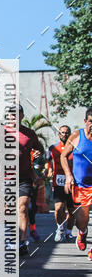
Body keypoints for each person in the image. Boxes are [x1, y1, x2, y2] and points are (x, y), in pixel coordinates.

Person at [9, 105, 43, 258]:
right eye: (11, 115)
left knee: (22, 207)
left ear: (22, 116)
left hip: (24, 177)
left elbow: (39, 150)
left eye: (16, 114)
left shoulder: (29, 134)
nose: (13, 117)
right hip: (6, 177)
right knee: (9, 210)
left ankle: (22, 242)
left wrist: (37, 153)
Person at [61, 108, 92, 257]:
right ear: (85, 122)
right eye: (91, 121)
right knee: (82, 220)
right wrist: (68, 175)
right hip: (81, 186)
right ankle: (82, 232)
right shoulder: (76, 136)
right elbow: (63, 156)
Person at [46, 125, 75, 241]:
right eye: (62, 132)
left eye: (67, 132)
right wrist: (48, 169)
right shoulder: (53, 148)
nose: (64, 134)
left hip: (72, 182)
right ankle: (60, 228)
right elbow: (47, 161)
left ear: (70, 134)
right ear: (59, 134)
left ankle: (68, 231)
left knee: (72, 211)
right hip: (58, 182)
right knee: (58, 208)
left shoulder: (75, 148)